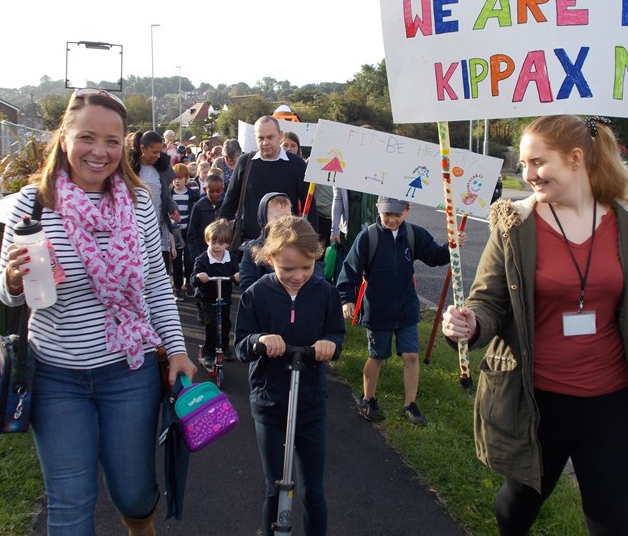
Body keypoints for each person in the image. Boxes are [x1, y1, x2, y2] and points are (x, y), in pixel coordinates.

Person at [442, 114, 628, 535]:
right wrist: (469, 324)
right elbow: (488, 302)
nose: (526, 173)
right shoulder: (515, 224)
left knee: (617, 524)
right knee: (516, 510)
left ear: (575, 158)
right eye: (523, 163)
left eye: (537, 162)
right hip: (536, 402)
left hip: (614, 403)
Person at [0, 88, 196, 535]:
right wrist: (10, 280)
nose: (99, 152)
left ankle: (139, 526)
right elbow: (7, 293)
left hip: (129, 370)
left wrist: (177, 349)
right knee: (69, 505)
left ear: (124, 145)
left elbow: (157, 284)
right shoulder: (33, 204)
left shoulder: (140, 203)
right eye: (87, 137)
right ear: (64, 137)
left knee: (134, 494)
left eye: (111, 141)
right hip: (56, 376)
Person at [235, 216, 345, 536]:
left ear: (316, 259)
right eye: (287, 269)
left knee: (313, 489)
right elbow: (241, 346)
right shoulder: (256, 294)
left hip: (309, 403)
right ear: (270, 260)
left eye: (306, 267)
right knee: (275, 486)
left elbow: (336, 336)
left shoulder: (325, 294)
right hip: (270, 402)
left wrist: (329, 344)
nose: (297, 276)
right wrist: (259, 340)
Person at [336, 196, 449, 426]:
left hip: (406, 306)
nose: (392, 219)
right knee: (377, 356)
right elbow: (350, 269)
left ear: (407, 210)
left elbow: (436, 257)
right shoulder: (368, 236)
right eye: (387, 214)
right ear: (379, 209)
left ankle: (410, 404)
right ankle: (368, 399)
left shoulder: (414, 235)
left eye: (397, 215)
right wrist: (346, 299)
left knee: (411, 355)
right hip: (378, 307)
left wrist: (452, 247)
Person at [220, 116, 316, 242]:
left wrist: (310, 243)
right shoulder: (245, 163)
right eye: (261, 138)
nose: (265, 143)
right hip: (251, 243)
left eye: (270, 137)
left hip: (285, 243)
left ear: (280, 135)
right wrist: (219, 237)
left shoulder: (297, 164)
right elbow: (229, 203)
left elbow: (309, 207)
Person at [128, 131, 180, 278]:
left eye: (160, 151)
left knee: (160, 269)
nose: (158, 155)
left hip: (159, 225)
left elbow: (166, 194)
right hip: (136, 228)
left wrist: (172, 208)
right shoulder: (129, 170)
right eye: (154, 152)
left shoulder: (161, 168)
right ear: (142, 148)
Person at [190, 219, 240, 366]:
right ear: (207, 241)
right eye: (213, 242)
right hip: (208, 298)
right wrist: (199, 277)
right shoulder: (202, 260)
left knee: (225, 323)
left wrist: (237, 276)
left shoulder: (231, 258)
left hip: (224, 297)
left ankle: (224, 347)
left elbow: (236, 274)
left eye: (221, 243)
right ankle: (209, 351)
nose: (216, 246)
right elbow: (194, 279)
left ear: (227, 244)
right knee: (212, 324)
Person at [238, 192, 294, 291]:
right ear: (264, 218)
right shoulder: (252, 250)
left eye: (287, 217)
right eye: (277, 218)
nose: (283, 222)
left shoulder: (296, 245)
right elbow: (247, 286)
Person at [171, 163, 200, 300]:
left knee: (189, 260)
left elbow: (194, 214)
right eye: (175, 178)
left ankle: (188, 282)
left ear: (186, 179)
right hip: (174, 232)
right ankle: (177, 286)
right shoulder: (170, 194)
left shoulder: (192, 195)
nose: (177, 181)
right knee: (176, 260)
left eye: (180, 178)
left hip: (188, 231)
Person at [186, 172, 224, 262]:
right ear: (205, 189)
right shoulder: (199, 207)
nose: (215, 194)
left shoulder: (225, 206)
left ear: (222, 189)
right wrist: (196, 256)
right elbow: (192, 233)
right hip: (203, 252)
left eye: (218, 191)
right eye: (211, 191)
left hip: (222, 254)